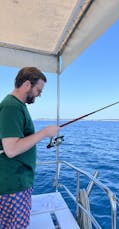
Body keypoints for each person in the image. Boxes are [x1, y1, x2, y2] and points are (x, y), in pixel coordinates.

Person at [0, 67, 60, 229]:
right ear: (27, 84)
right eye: (38, 90)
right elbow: (11, 149)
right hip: (13, 184)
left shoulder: (18, 106)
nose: (39, 94)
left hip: (19, 181)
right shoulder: (11, 107)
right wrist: (45, 132)